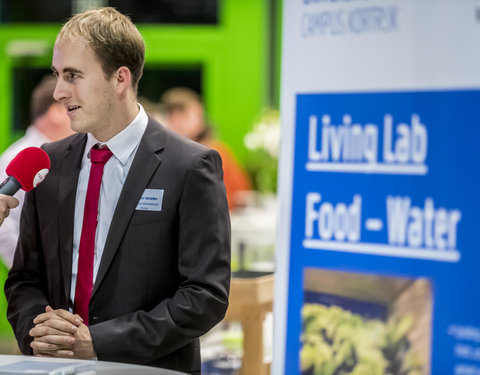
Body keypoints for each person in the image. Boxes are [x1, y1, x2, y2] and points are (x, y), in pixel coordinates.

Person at [5, 7, 230, 375]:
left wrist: (99, 343)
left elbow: (205, 296)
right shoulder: (49, 162)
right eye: (58, 75)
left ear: (120, 78)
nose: (59, 92)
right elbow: (25, 279)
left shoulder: (190, 166)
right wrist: (40, 331)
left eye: (73, 76)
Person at [0, 75, 73, 267]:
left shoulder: (61, 155)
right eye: (72, 109)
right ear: (56, 112)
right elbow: (4, 230)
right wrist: (33, 273)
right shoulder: (18, 158)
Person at [161, 87, 251, 210]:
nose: (177, 121)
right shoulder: (162, 154)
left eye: (183, 113)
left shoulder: (217, 153)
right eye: (172, 114)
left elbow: (235, 196)